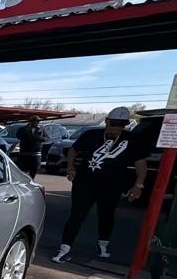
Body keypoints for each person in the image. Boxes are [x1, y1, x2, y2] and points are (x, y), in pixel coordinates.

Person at [52, 106, 148, 263]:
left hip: (112, 186)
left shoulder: (132, 140)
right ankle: (65, 247)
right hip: (85, 183)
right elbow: (73, 150)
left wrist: (138, 185)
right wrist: (70, 167)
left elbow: (141, 165)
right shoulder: (92, 134)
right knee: (77, 215)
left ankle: (103, 245)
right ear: (107, 122)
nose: (114, 130)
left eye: (119, 127)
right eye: (111, 126)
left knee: (107, 215)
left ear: (124, 126)